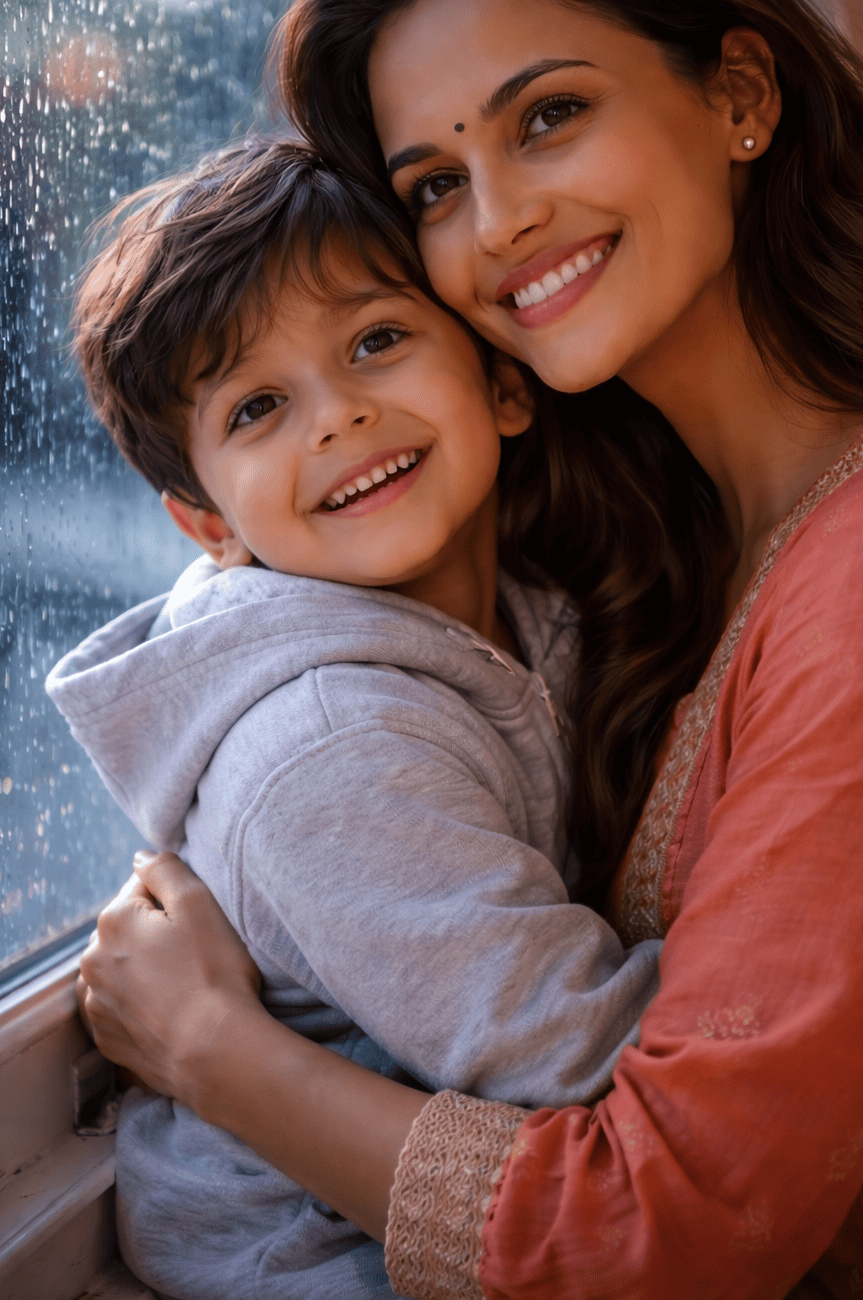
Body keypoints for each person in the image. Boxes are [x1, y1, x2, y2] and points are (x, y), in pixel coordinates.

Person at [77, 0, 863, 1299]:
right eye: (436, 185)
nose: (495, 225)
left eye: (549, 115)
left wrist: (216, 1056)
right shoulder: (632, 553)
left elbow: (670, 1224)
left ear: (740, 95)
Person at [49, 136, 670, 1299]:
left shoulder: (532, 609)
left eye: (376, 341)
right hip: (319, 1254)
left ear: (502, 382)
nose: (337, 418)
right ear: (208, 523)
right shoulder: (330, 747)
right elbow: (586, 1060)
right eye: (259, 407)